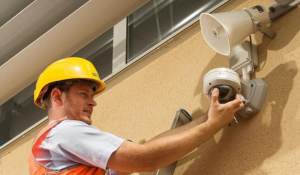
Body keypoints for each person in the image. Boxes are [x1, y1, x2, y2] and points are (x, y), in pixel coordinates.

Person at [29, 57, 244, 175]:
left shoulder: (54, 148)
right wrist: (212, 125)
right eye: (83, 94)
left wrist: (207, 118)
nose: (93, 102)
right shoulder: (63, 133)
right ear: (58, 96)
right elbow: (148, 159)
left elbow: (138, 156)